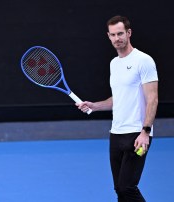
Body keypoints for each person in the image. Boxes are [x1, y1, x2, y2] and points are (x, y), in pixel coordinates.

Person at [76, 15, 158, 201]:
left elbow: (152, 99)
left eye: (120, 33)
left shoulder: (144, 61)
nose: (117, 38)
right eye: (113, 35)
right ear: (108, 36)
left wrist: (145, 131)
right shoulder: (114, 64)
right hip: (116, 133)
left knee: (127, 187)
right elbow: (118, 98)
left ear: (129, 33)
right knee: (119, 189)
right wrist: (94, 106)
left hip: (137, 134)